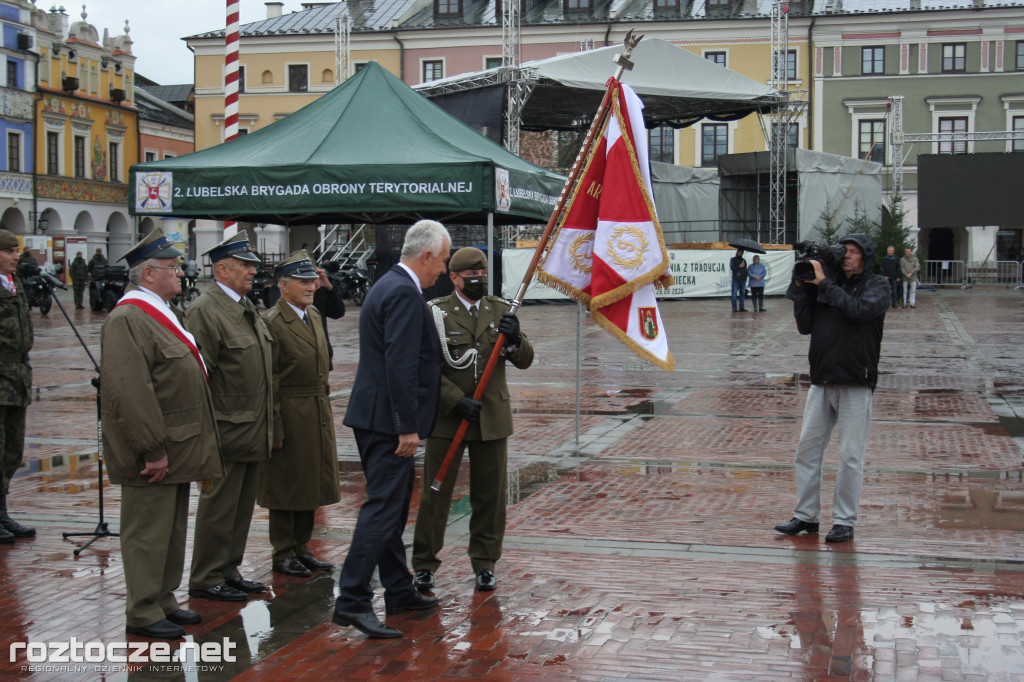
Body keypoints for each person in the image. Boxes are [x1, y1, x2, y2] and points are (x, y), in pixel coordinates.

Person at [99, 228, 222, 639]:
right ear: (148, 274)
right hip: (154, 450)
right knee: (147, 531)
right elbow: (131, 392)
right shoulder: (128, 318)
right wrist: (151, 448)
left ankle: (163, 598)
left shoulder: (163, 311)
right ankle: (143, 610)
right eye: (174, 268)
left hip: (177, 443)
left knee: (169, 530)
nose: (182, 275)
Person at [333, 219, 450, 639]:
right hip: (388, 422)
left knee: (394, 508)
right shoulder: (402, 291)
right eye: (443, 262)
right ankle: (352, 600)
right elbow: (399, 363)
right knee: (383, 510)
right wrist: (406, 427)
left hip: (376, 416)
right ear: (427, 256)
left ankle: (398, 589)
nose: (443, 271)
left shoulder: (389, 284)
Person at [412, 247, 534, 594]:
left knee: (490, 498)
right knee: (436, 494)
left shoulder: (500, 309)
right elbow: (426, 367)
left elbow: (525, 359)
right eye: (471, 277)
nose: (479, 281)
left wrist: (515, 338)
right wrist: (455, 400)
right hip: (448, 418)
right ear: (454, 278)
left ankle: (484, 562)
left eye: (483, 275)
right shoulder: (435, 313)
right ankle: (424, 564)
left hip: (491, 417)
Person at [773, 233, 889, 544]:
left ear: (866, 256)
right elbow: (805, 326)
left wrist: (825, 284)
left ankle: (844, 521)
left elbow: (858, 311)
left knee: (850, 455)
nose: (847, 256)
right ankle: (806, 516)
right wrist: (802, 291)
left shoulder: (877, 285)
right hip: (821, 379)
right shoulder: (827, 284)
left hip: (855, 381)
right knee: (807, 451)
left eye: (854, 252)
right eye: (844, 251)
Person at [186, 233, 274, 603]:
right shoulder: (206, 310)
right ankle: (207, 576)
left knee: (239, 507)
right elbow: (197, 377)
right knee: (219, 506)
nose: (254, 270)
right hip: (224, 428)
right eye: (246, 265)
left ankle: (228, 569)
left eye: (253, 265)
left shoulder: (244, 305)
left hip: (251, 426)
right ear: (222, 269)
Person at [257, 251, 340, 579]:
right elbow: (270, 380)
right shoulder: (273, 322)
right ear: (283, 285)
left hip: (316, 408)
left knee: (311, 482)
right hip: (290, 411)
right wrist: (275, 426)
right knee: (286, 484)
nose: (311, 287)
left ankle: (302, 546)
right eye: (304, 282)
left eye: (313, 281)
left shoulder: (314, 315)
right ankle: (283, 551)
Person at [0, 229, 37, 544]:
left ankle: (2, 512)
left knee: (12, 450)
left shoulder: (14, 285)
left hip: (16, 377)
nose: (16, 257)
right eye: (10, 251)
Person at [311, 261, 345, 370]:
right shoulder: (287, 293)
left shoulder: (320, 291)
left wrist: (329, 288)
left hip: (322, 355)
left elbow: (337, 313)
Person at [730, 248, 747, 312]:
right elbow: (732, 268)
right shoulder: (733, 260)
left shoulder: (743, 260)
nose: (741, 253)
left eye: (742, 252)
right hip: (736, 279)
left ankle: (741, 307)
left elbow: (745, 269)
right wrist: (739, 266)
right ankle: (734, 308)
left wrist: (745, 277)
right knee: (734, 294)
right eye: (740, 252)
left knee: (742, 294)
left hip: (742, 279)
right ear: (737, 252)